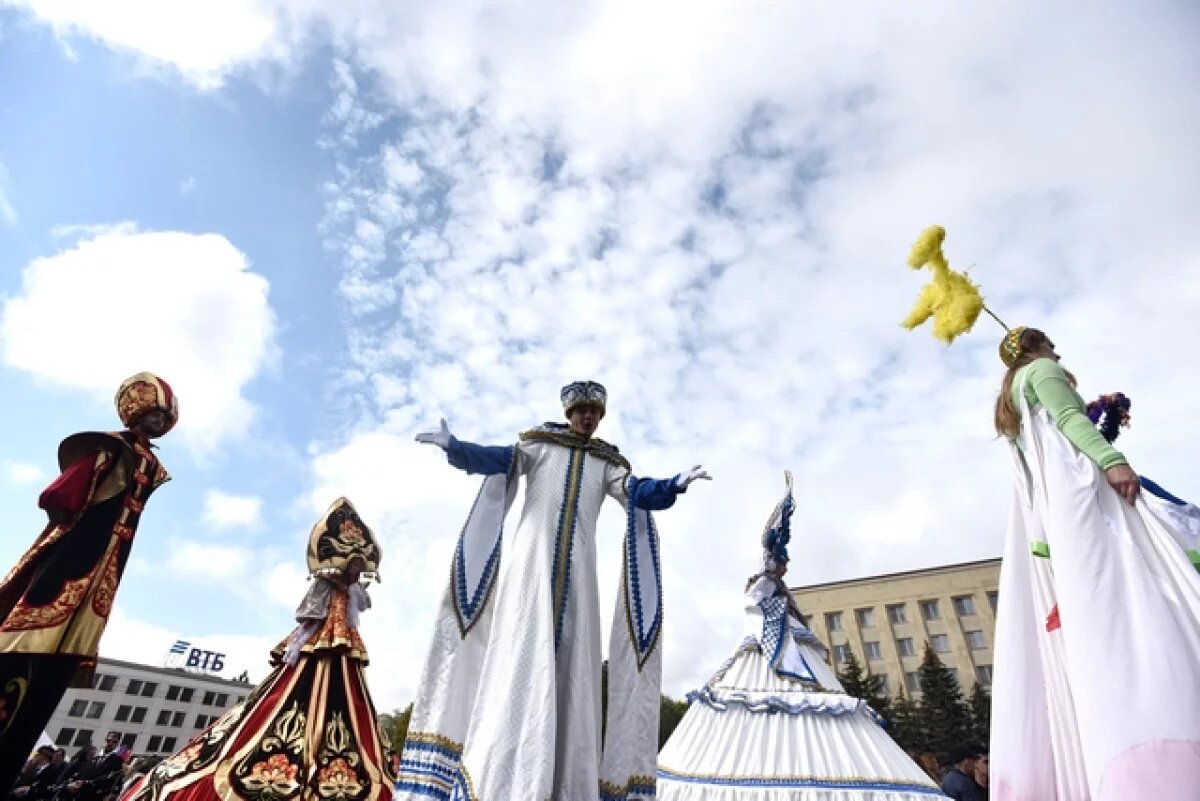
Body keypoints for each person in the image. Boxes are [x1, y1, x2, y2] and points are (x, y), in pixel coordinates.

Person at [397, 381, 710, 801]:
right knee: (522, 655)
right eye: (582, 411)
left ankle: (562, 780)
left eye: (595, 414)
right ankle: (505, 777)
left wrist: (673, 484)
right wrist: (455, 448)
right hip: (531, 569)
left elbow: (637, 492)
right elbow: (497, 459)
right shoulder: (538, 446)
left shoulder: (607, 463)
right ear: (569, 413)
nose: (588, 418)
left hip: (579, 579)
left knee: (573, 673)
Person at [990, 327, 1200, 800]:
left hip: (1058, 521)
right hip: (1083, 503)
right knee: (1142, 580)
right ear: (1035, 349)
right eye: (1049, 343)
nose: (1056, 351)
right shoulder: (1042, 372)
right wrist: (1112, 458)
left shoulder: (1014, 406)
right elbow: (1068, 419)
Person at [658, 473, 943, 799]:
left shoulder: (780, 588)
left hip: (789, 640)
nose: (785, 565)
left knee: (813, 702)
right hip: (771, 644)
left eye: (785, 561)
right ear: (774, 561)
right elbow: (751, 604)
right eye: (783, 560)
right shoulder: (763, 582)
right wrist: (774, 618)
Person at [120, 498, 393, 801]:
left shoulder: (350, 589)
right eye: (352, 565)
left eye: (358, 566)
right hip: (322, 639)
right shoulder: (327, 584)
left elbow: (359, 606)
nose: (355, 571)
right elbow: (309, 612)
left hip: (342, 645)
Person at [0, 374, 178, 788]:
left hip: (110, 561)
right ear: (136, 412)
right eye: (152, 414)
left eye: (162, 418)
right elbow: (62, 494)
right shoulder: (108, 447)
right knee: (43, 608)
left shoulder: (152, 464)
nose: (156, 424)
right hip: (81, 546)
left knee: (67, 650)